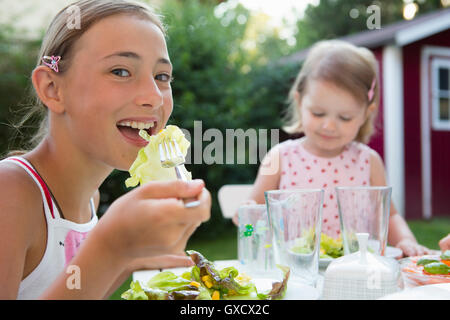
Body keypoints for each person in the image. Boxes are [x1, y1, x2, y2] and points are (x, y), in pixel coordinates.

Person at [0, 0, 211, 299]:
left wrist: (127, 259)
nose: (154, 97)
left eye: (162, 76)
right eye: (121, 71)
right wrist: (110, 249)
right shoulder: (10, 192)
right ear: (52, 88)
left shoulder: (89, 199)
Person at [233, 40, 430, 257]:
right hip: (294, 274)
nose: (329, 126)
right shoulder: (280, 157)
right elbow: (255, 217)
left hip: (356, 273)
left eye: (345, 117)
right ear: (299, 102)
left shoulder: (368, 161)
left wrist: (405, 240)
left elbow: (389, 216)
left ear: (366, 113)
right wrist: (247, 220)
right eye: (318, 113)